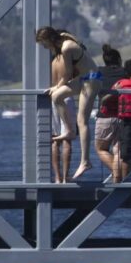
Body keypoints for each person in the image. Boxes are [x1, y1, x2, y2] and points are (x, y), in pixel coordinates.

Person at [34, 26, 100, 179]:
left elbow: (67, 75)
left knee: (82, 120)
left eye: (44, 44)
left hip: (92, 80)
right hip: (83, 79)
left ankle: (85, 161)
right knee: (56, 97)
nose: (45, 47)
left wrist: (56, 86)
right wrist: (55, 89)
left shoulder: (65, 48)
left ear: (50, 40)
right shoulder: (63, 36)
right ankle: (69, 130)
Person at [94, 44, 126, 183]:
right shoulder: (125, 72)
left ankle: (117, 175)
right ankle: (118, 177)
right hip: (123, 116)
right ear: (119, 59)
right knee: (118, 150)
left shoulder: (98, 71)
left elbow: (85, 80)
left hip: (105, 116)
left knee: (101, 149)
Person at [49, 47, 76, 184]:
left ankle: (57, 177)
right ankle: (66, 177)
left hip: (52, 96)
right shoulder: (67, 61)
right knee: (67, 138)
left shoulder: (52, 62)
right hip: (66, 95)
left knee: (55, 139)